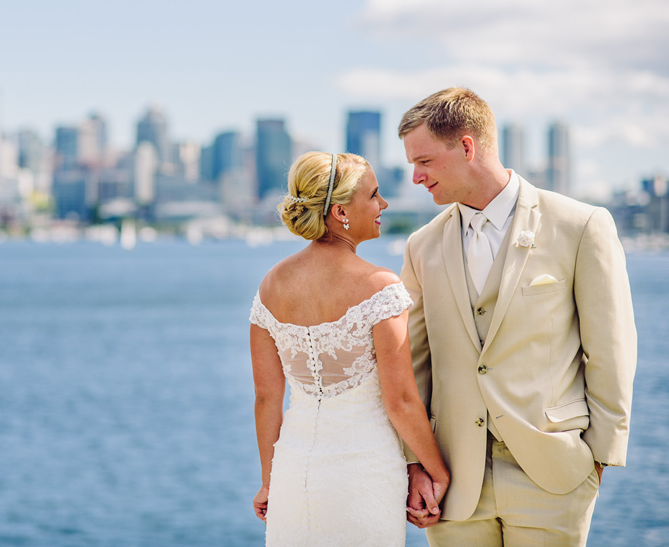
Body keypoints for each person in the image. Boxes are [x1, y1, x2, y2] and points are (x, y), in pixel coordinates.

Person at [397, 87, 634, 545]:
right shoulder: (421, 245)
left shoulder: (580, 225)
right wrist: (415, 463)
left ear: (466, 147)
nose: (415, 178)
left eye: (423, 161)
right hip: (453, 482)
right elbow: (415, 364)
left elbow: (610, 349)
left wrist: (597, 459)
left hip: (553, 475)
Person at [249, 151, 450, 545]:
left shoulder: (271, 285)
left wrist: (268, 482)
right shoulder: (380, 287)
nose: (384, 204)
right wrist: (436, 470)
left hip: (292, 475)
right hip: (363, 475)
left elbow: (266, 397)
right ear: (341, 211)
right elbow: (402, 401)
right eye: (374, 195)